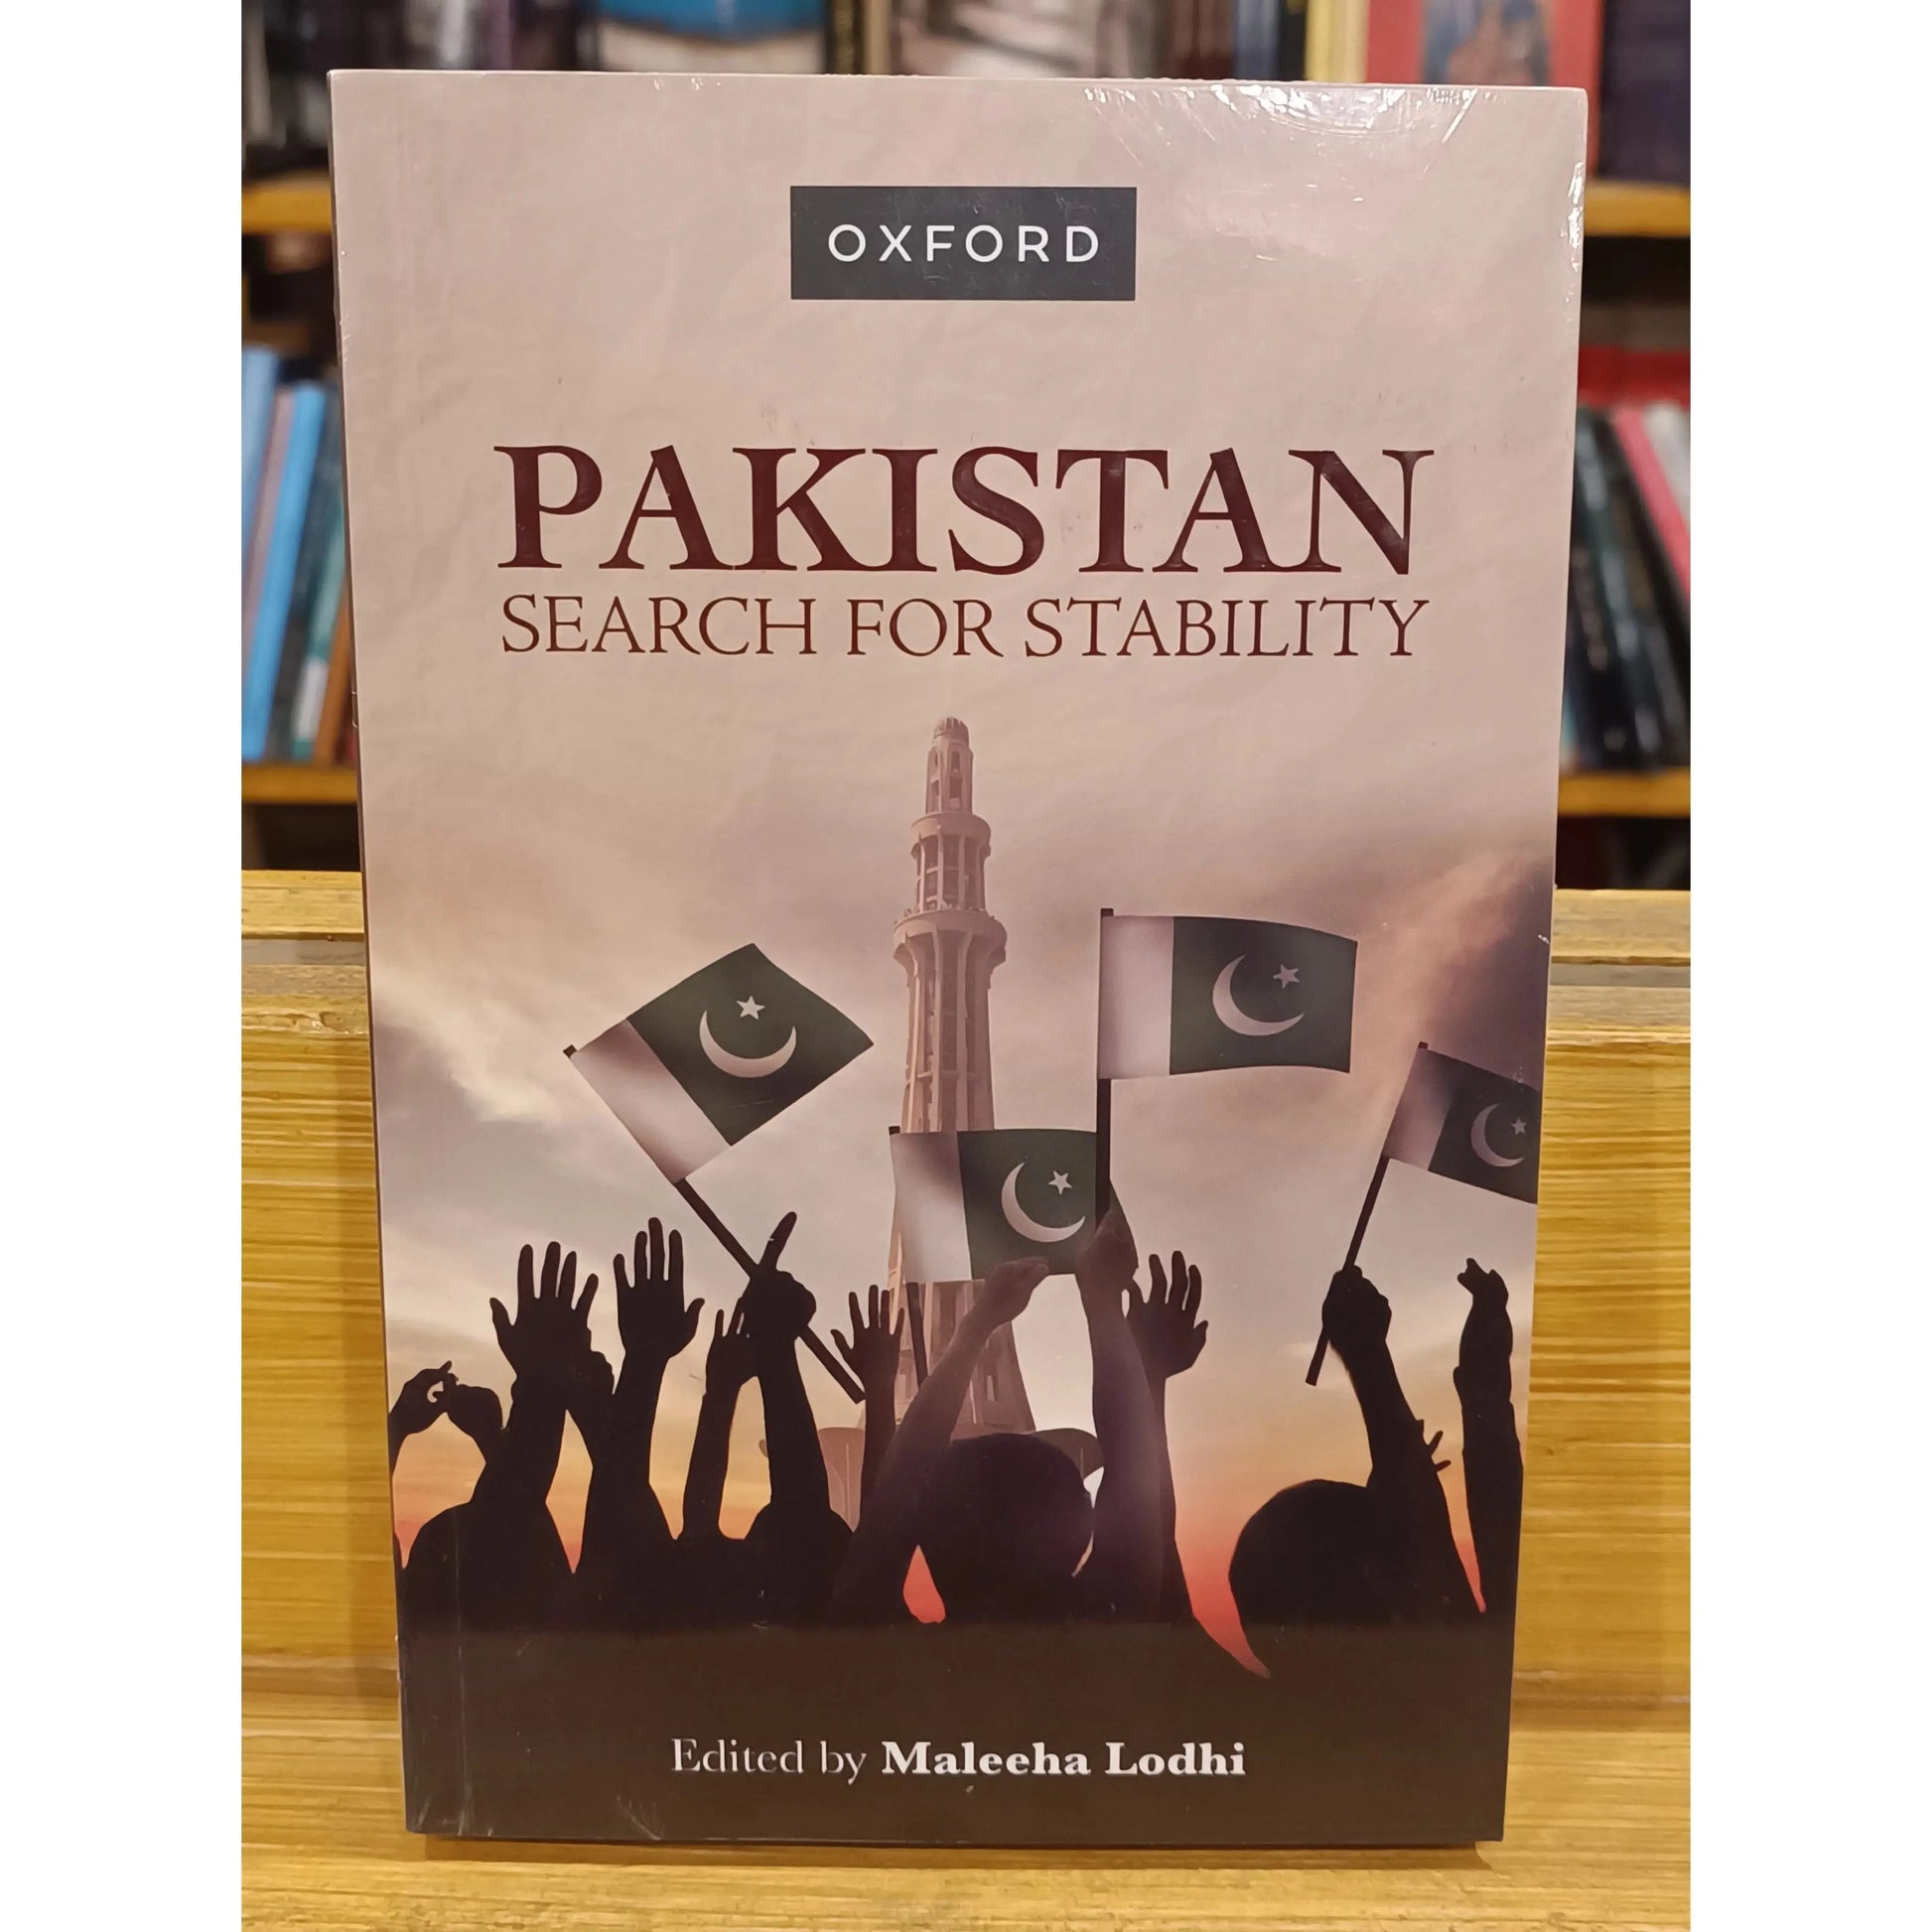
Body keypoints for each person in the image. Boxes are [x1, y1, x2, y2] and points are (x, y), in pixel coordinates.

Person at [833, 1205, 1165, 1627]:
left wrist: (975, 1326)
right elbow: (1135, 1471)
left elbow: (894, 1497)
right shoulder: (1117, 1630)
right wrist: (1103, 1303)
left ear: (924, 1528)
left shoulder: (877, 1639)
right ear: (1084, 1524)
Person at [400, 1240, 596, 1633]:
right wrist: (539, 1375)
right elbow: (517, 1505)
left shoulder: (443, 1539)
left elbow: (515, 1502)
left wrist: (397, 1427)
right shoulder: (462, 1536)